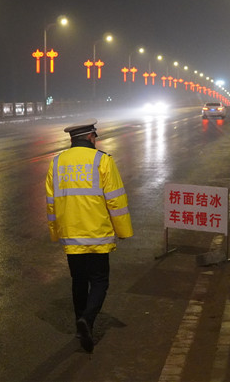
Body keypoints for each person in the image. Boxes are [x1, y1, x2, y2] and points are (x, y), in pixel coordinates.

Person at [46, 118, 133, 353]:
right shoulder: (102, 160)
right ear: (91, 137)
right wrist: (123, 230)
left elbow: (51, 203)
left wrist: (56, 233)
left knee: (78, 280)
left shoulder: (57, 162)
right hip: (97, 234)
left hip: (71, 235)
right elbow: (115, 199)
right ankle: (88, 319)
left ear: (72, 139)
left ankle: (79, 325)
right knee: (100, 281)